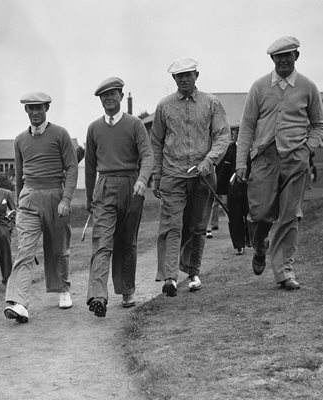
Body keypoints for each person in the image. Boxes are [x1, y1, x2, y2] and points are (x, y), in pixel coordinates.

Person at [236, 36, 323, 290]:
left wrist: (307, 149)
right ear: (272, 59)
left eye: (288, 55)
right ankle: (259, 246)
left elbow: (320, 124)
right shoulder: (259, 87)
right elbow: (246, 128)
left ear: (296, 56)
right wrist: (240, 162)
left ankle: (284, 271)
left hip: (295, 159)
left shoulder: (308, 87)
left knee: (290, 216)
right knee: (260, 214)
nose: (283, 60)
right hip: (264, 159)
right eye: (279, 56)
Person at [151, 57, 230, 297]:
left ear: (197, 75)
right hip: (172, 175)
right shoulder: (164, 106)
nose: (184, 79)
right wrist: (157, 175)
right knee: (172, 226)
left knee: (197, 225)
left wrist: (209, 161)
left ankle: (193, 272)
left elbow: (223, 135)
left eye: (188, 74)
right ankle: (170, 278)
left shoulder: (211, 103)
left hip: (202, 175)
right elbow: (156, 142)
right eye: (179, 76)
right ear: (173, 79)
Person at [4, 91, 78, 323]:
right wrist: (17, 205)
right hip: (28, 199)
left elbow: (73, 168)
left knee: (58, 249)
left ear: (47, 108)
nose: (35, 112)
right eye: (30, 108)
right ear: (25, 111)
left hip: (55, 196)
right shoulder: (19, 140)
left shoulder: (60, 134)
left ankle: (63, 289)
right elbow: (18, 175)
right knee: (25, 251)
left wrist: (66, 199)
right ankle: (19, 302)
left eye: (39, 108)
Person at [84, 77, 154, 317]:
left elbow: (147, 156)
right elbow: (91, 166)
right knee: (102, 241)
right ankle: (98, 296)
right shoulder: (94, 128)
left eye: (113, 94)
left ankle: (126, 290)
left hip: (131, 185)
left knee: (127, 242)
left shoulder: (135, 125)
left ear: (121, 97)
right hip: (104, 187)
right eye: (104, 96)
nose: (108, 99)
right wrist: (89, 200)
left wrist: (142, 180)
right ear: (100, 100)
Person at [204, 126, 238, 239]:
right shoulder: (211, 147)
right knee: (211, 202)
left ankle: (231, 227)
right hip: (213, 176)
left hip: (224, 179)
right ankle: (209, 227)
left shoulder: (230, 149)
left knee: (226, 204)